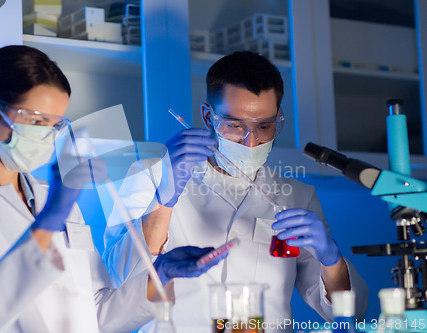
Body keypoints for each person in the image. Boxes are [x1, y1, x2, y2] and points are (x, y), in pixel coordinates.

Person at [0, 45, 223, 333]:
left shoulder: (51, 195)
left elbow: (97, 314)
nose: (46, 134)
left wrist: (161, 274)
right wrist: (52, 217)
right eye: (37, 120)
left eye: (55, 124)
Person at [103, 51, 369, 332]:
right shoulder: (151, 175)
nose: (250, 141)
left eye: (265, 127)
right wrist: (164, 200)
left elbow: (350, 315)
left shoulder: (297, 196)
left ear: (278, 118)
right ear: (208, 117)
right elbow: (118, 281)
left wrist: (331, 258)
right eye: (234, 125)